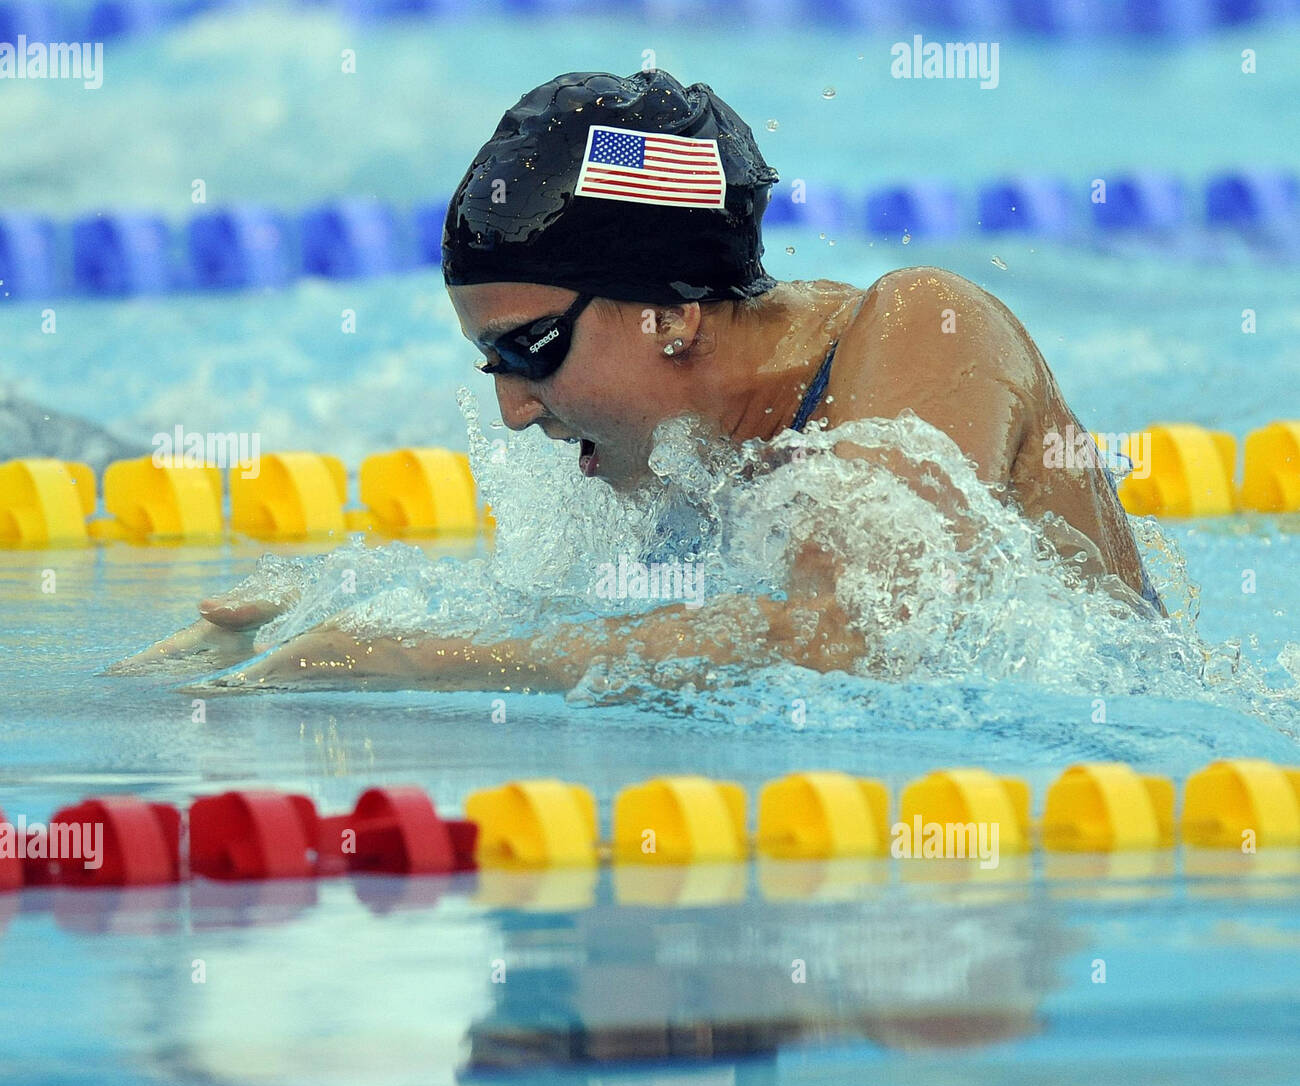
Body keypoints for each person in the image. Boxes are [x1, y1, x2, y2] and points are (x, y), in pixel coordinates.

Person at [120, 69, 1160, 693]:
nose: (513, 407)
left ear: (669, 315)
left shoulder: (922, 328)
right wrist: (336, 610)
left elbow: (855, 637)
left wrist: (420, 658)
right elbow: (623, 628)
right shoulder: (686, 456)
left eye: (530, 351)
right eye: (492, 363)